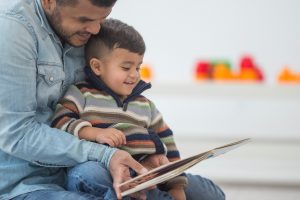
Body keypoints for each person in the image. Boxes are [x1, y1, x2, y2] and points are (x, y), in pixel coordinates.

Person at [51, 18, 225, 200]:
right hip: (103, 171)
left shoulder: (145, 105)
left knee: (210, 193)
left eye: (138, 67)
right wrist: (92, 132)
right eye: (126, 67)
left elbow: (168, 143)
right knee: (87, 174)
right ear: (97, 66)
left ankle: (149, 195)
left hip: (146, 174)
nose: (134, 75)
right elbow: (59, 122)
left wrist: (175, 185)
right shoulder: (81, 94)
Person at [0, 0, 149, 200]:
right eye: (84, 19)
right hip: (24, 185)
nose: (96, 29)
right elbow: (16, 134)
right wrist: (104, 155)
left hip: (79, 172)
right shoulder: (12, 29)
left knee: (197, 188)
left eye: (102, 18)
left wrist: (148, 153)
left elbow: (106, 102)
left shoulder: (87, 31)